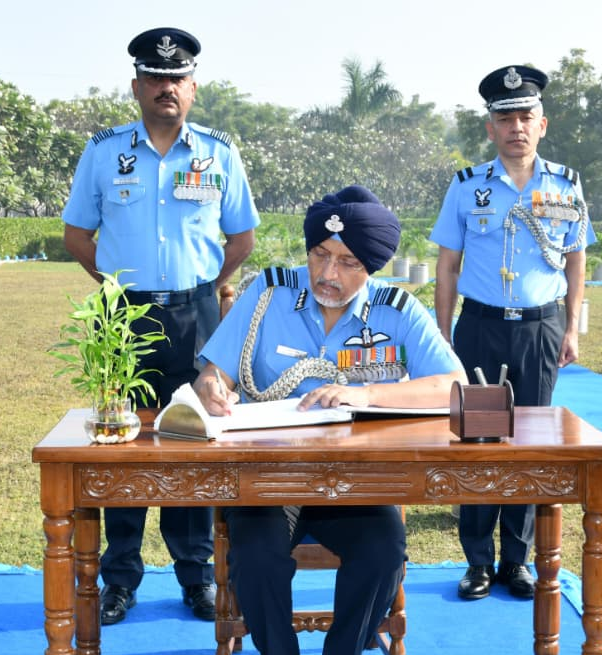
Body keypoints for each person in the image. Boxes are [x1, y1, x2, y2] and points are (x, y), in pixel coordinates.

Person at [193, 185, 467, 655]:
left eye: (347, 263)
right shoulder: (269, 292)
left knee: (383, 552)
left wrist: (366, 393)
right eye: (320, 255)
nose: (327, 273)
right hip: (270, 479)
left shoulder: (397, 311)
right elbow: (213, 371)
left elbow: (453, 386)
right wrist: (211, 385)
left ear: (372, 267)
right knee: (256, 557)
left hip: (358, 481)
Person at [61, 26, 259, 625]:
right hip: (123, 315)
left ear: (192, 88)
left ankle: (196, 576)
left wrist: (204, 284)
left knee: (194, 441)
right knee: (122, 442)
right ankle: (119, 579)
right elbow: (76, 235)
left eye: (177, 78)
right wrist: (118, 287)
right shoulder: (103, 152)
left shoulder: (219, 153)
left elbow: (241, 237)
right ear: (136, 86)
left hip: (198, 315)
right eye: (155, 78)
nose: (165, 87)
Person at [429, 65, 595, 601]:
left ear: (542, 125)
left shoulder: (566, 184)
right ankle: (477, 562)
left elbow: (575, 262)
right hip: (478, 327)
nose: (516, 127)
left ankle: (517, 560)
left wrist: (571, 327)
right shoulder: (466, 187)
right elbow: (447, 265)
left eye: (525, 116)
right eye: (506, 118)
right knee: (477, 442)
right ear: (490, 127)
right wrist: (442, 332)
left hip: (539, 329)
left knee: (528, 443)